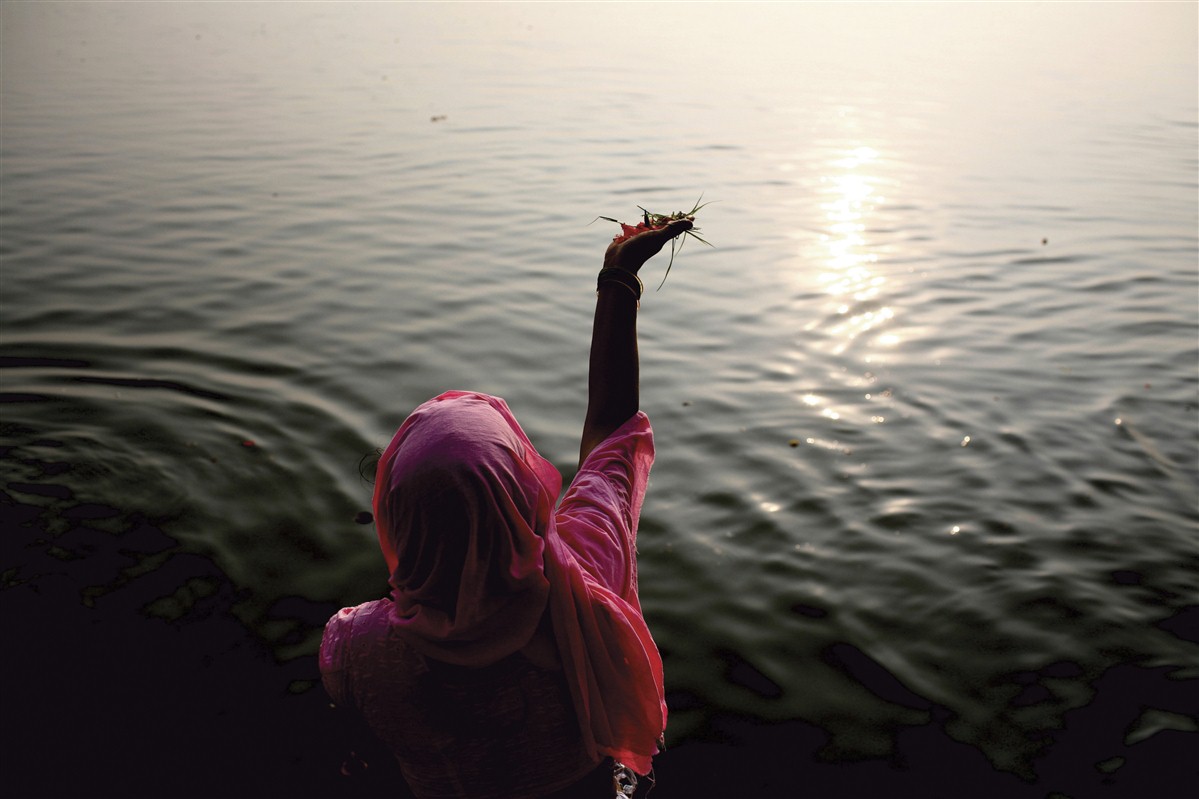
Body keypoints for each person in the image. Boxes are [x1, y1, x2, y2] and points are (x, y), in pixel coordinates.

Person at [319, 216, 695, 799]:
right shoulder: (585, 584)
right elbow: (613, 432)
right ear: (526, 499)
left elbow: (364, 756)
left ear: (397, 517)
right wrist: (618, 277)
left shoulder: (357, 651)